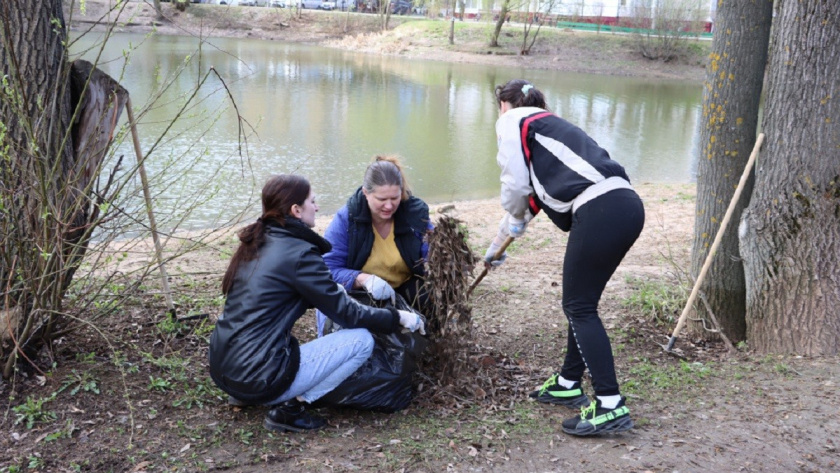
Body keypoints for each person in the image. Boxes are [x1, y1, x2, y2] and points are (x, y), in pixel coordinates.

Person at [487, 79, 644, 436]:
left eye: (498, 109)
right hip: (626, 204)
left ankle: (609, 404)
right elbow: (528, 203)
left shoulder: (514, 121)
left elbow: (513, 186)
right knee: (582, 303)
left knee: (578, 305)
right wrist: (496, 247)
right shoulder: (549, 131)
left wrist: (510, 223)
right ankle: (569, 382)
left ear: (505, 105)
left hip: (601, 208)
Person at [208, 174, 425, 433]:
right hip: (258, 376)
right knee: (361, 341)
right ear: (296, 210)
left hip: (224, 370)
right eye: (313, 201)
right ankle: (292, 408)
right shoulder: (299, 253)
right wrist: (397, 318)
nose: (318, 207)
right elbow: (348, 315)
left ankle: (247, 393)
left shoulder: (258, 242)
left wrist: (333, 288)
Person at [317, 155, 434, 336]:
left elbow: (431, 258)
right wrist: (362, 279)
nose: (389, 205)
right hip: (363, 294)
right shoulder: (347, 219)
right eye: (381, 199)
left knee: (431, 295)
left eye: (394, 198)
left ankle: (427, 344)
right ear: (366, 193)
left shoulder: (414, 215)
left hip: (404, 288)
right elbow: (327, 269)